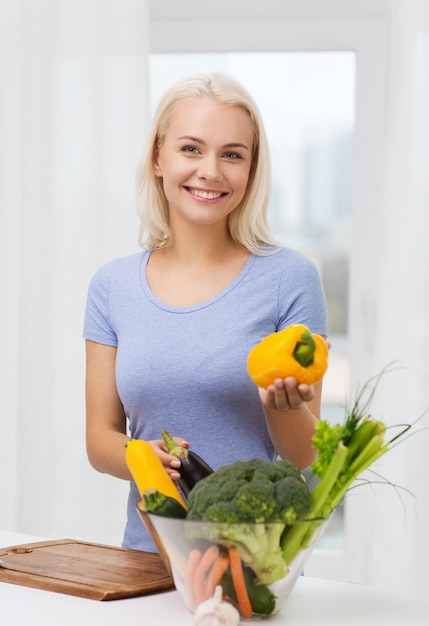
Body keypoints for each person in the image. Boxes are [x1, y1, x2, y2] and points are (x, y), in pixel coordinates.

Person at [83, 72, 328, 552]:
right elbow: (99, 438)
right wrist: (140, 456)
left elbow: (303, 456)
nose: (210, 171)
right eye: (191, 149)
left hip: (254, 564)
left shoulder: (289, 279)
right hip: (146, 559)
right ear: (158, 157)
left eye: (232, 154)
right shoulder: (112, 286)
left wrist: (284, 405)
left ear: (251, 170)